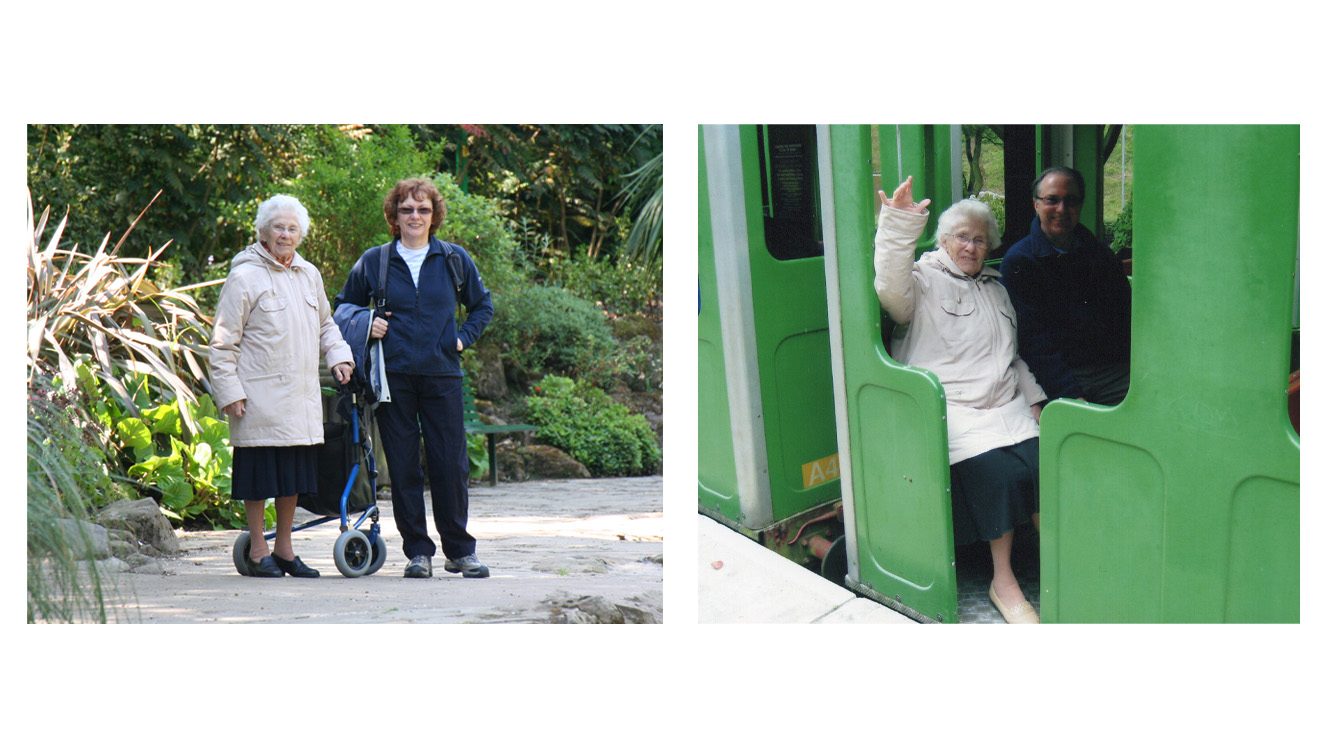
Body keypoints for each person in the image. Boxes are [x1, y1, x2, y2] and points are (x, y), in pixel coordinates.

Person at [874, 176, 1046, 624]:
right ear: (944, 240)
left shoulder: (996, 286)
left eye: (981, 239)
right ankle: (1003, 581)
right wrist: (898, 224)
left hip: (1007, 406)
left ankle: (1061, 564)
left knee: (1050, 463)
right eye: (962, 238)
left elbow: (1013, 356)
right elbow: (889, 285)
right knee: (1001, 475)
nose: (972, 247)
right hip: (955, 412)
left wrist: (1036, 398)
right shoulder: (922, 281)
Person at [336, 177, 494, 579]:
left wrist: (460, 340)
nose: (415, 216)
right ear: (394, 215)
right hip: (393, 377)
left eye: (423, 209)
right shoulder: (374, 261)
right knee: (404, 466)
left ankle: (460, 550)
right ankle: (417, 553)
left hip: (443, 375)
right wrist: (367, 323)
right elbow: (341, 309)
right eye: (407, 209)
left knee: (450, 464)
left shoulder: (454, 259)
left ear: (434, 215)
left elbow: (482, 307)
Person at [210, 195, 354, 578]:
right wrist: (229, 391)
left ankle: (285, 549)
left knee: (292, 478)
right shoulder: (244, 277)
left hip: (298, 400)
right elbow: (224, 341)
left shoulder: (309, 275)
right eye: (278, 227)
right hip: (257, 398)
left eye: (292, 229)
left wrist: (339, 356)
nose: (285, 235)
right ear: (263, 231)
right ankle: (259, 550)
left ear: (300, 235)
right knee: (259, 476)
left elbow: (327, 325)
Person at [999, 166, 1132, 405]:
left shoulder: (1100, 255)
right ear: (1036, 204)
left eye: (1071, 201)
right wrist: (1069, 392)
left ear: (1080, 206)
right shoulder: (1020, 262)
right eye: (1052, 200)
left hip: (1111, 371)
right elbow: (1032, 342)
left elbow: (1124, 317)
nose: (1062, 209)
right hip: (1057, 376)